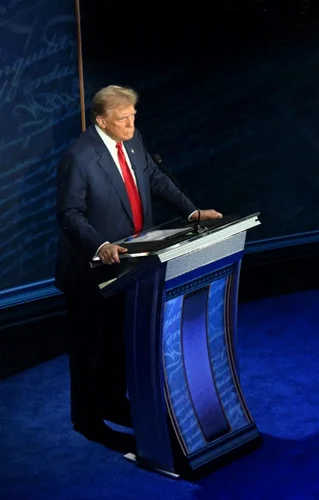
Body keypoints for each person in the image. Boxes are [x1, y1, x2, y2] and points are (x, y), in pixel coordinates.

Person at [55, 85, 222, 443]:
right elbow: (70, 213)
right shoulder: (80, 157)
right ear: (102, 120)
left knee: (118, 340)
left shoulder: (133, 139)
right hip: (90, 269)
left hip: (131, 263)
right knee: (89, 347)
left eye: (133, 117)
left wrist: (191, 211)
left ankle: (113, 402)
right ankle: (86, 419)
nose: (131, 124)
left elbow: (156, 179)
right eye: (123, 119)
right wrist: (100, 245)